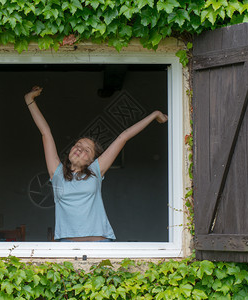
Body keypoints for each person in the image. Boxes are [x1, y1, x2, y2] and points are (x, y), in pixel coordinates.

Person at [25, 86, 168, 242]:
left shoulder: (96, 171)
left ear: (91, 160)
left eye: (87, 150)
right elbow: (45, 132)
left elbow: (123, 137)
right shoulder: (56, 172)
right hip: (66, 245)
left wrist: (154, 115)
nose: (80, 149)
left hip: (101, 243)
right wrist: (29, 100)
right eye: (78, 145)